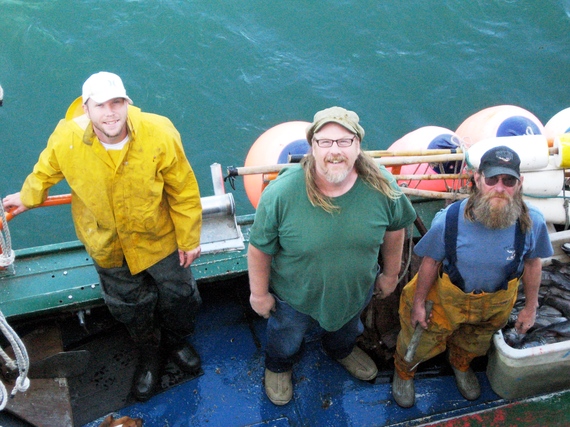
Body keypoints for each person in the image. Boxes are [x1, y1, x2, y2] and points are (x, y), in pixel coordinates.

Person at [2, 72, 203, 402]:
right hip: (106, 243)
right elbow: (47, 168)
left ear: (127, 104)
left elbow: (183, 189)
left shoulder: (160, 133)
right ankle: (149, 353)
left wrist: (189, 237)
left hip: (159, 237)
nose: (110, 112)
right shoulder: (66, 137)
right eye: (100, 105)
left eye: (117, 103)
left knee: (182, 296)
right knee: (130, 305)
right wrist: (29, 196)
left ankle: (177, 340)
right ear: (86, 108)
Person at [247, 106, 417, 405]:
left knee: (348, 329)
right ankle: (278, 365)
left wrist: (391, 274)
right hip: (293, 298)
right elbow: (260, 248)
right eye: (324, 142)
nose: (334, 151)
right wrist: (259, 295)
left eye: (344, 141)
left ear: (358, 146)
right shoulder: (281, 194)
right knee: (286, 338)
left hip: (356, 291)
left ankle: (340, 350)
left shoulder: (383, 187)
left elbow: (396, 229)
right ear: (312, 147)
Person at [392, 145, 553, 408]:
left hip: (495, 304)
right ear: (477, 179)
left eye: (508, 180)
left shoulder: (531, 222)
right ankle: (404, 372)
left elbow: (533, 264)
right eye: (492, 179)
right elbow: (431, 262)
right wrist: (419, 303)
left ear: (519, 183)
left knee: (475, 341)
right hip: (445, 299)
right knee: (418, 339)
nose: (500, 188)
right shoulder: (449, 220)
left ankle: (461, 364)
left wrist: (531, 308)